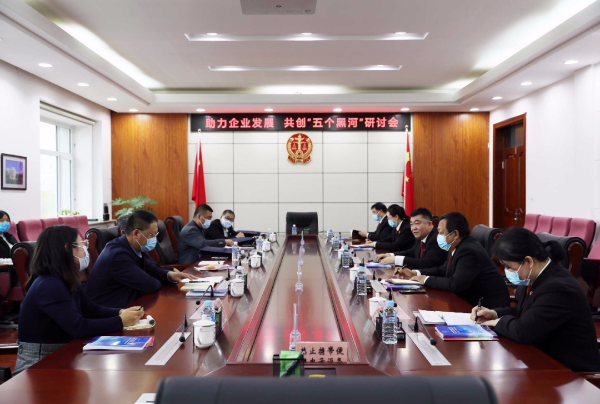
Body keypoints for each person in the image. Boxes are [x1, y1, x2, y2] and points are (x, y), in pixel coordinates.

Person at [13, 225, 144, 374]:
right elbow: (78, 327)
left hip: (64, 354)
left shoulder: (64, 279)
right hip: (39, 365)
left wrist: (121, 312)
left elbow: (92, 310)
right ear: (68, 249)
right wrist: (120, 321)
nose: (86, 251)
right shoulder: (49, 285)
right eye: (83, 245)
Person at [471, 226, 600, 372]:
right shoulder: (535, 277)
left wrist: (498, 322)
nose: (507, 272)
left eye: (509, 267)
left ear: (528, 261)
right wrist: (494, 314)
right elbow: (523, 311)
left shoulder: (558, 288)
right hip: (544, 357)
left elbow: (523, 332)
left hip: (571, 372)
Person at [398, 212, 509, 308]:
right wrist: (416, 273)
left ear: (455, 234)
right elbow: (443, 270)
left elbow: (455, 284)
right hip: (469, 301)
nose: (438, 236)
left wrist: (425, 279)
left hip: (488, 307)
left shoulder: (468, 251)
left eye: (441, 232)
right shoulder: (457, 246)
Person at [86, 210, 196, 307]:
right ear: (136, 233)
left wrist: (169, 275)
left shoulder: (134, 247)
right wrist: (157, 278)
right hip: (110, 312)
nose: (154, 239)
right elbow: (150, 284)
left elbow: (153, 270)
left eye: (155, 234)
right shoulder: (117, 255)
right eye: (151, 235)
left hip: (130, 304)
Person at [376, 207, 446, 269]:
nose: (413, 228)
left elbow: (426, 263)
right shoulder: (420, 236)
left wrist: (397, 260)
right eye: (411, 224)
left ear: (430, 224)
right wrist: (390, 255)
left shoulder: (436, 239)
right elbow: (411, 252)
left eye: (417, 223)